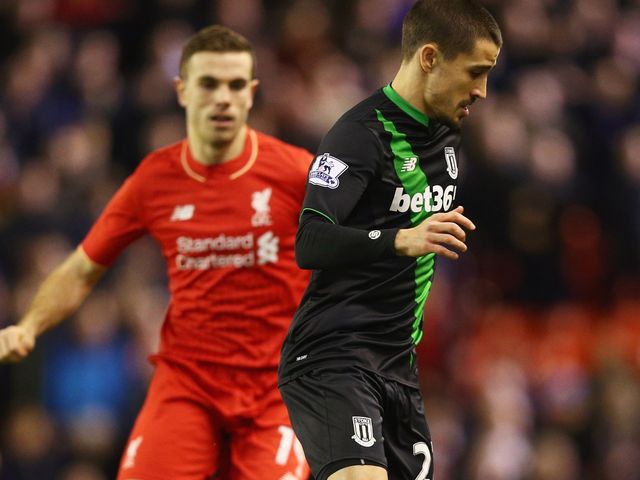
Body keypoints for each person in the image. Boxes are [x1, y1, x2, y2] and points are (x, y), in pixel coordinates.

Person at [0, 25, 312, 480]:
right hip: (188, 386)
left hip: (276, 390)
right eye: (209, 83)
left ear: (252, 93)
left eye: (235, 84)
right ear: (182, 91)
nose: (223, 97)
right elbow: (84, 267)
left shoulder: (296, 173)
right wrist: (30, 325)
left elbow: (362, 246)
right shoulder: (155, 179)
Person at [277, 1, 502, 479]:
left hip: (398, 368)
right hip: (334, 356)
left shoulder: (450, 139)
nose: (482, 91)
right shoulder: (358, 136)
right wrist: (400, 239)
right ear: (429, 58)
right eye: (475, 72)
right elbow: (311, 240)